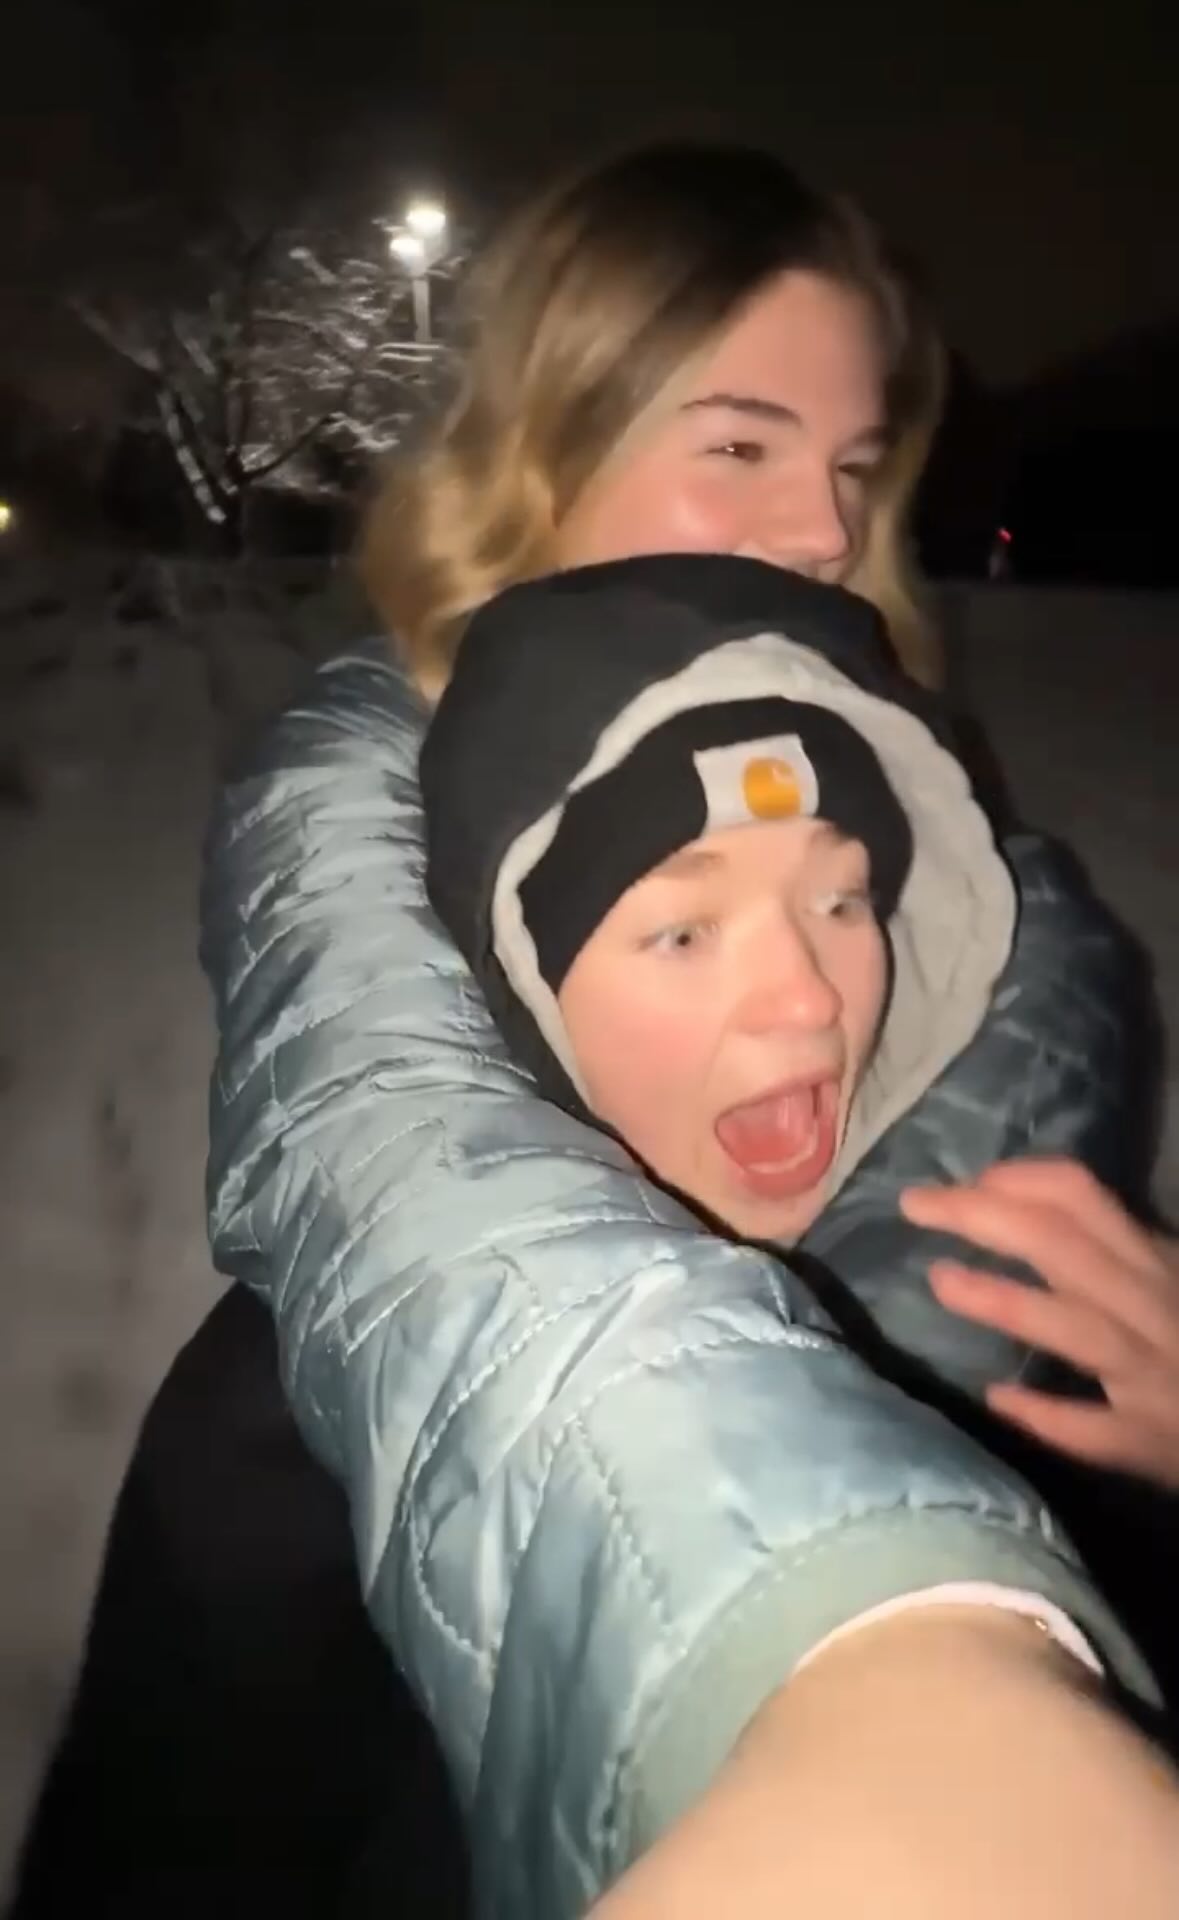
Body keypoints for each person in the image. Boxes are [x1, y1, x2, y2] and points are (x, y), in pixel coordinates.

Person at [14, 141, 1174, 1911]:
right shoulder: (368, 770)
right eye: (742, 446)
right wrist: (830, 1617)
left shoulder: (938, 823)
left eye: (855, 466)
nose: (824, 532)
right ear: (548, 450)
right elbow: (383, 1124)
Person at [414, 547, 1179, 1916]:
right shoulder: (346, 1420)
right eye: (683, 931)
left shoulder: (1074, 1298)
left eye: (842, 899)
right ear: (527, 995)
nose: (811, 998)